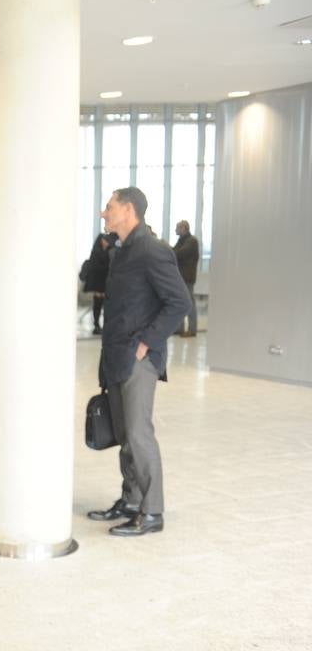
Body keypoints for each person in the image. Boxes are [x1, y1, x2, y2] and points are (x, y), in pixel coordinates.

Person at [87, 188, 191, 536]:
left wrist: (147, 341)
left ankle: (152, 511)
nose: (104, 213)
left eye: (110, 207)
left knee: (138, 433)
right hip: (116, 355)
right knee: (123, 434)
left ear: (128, 209)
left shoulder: (152, 250)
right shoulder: (122, 251)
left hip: (137, 358)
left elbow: (179, 302)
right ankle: (131, 500)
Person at [80, 231, 113, 334]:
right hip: (97, 281)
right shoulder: (96, 252)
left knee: (106, 304)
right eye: (104, 240)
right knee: (98, 304)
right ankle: (96, 325)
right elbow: (95, 267)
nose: (106, 242)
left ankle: (103, 325)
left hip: (105, 281)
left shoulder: (109, 251)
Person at [173, 220, 200, 337]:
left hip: (187, 277)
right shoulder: (181, 241)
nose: (176, 230)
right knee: (180, 303)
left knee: (189, 303)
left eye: (178, 228)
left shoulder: (192, 241)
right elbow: (174, 252)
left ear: (184, 228)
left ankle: (192, 329)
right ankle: (179, 328)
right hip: (180, 277)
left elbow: (179, 254)